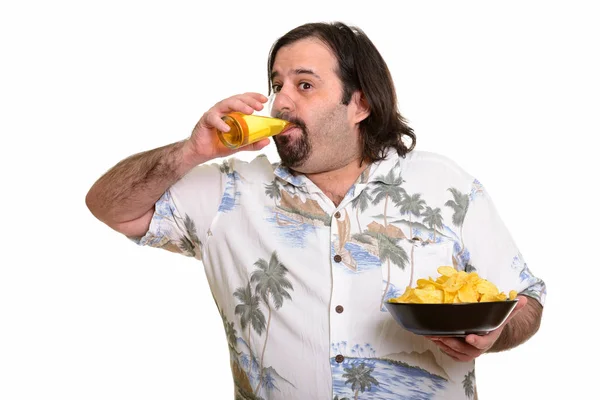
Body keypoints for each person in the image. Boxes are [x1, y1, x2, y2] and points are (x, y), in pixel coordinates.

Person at [86, 21, 545, 400]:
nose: (281, 101)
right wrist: (190, 151)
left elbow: (525, 301)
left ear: (360, 103)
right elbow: (109, 206)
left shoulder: (446, 184)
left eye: (304, 85)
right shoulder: (229, 191)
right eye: (276, 85)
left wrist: (492, 336)